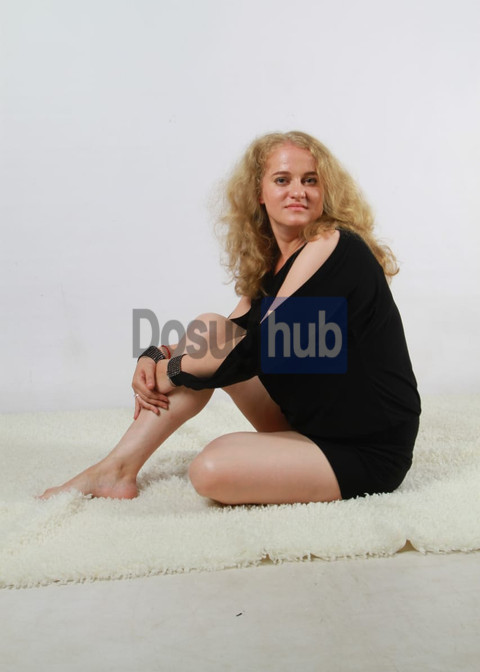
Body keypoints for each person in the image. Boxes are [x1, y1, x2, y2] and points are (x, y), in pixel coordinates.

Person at [41, 131, 420, 504]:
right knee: (210, 327)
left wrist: (171, 370)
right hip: (309, 424)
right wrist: (156, 355)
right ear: (259, 193)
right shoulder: (271, 261)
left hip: (364, 447)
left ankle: (119, 469)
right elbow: (227, 338)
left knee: (210, 468)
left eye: (310, 180)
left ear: (325, 191)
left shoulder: (332, 244)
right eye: (282, 180)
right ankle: (117, 469)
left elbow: (255, 351)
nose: (298, 191)